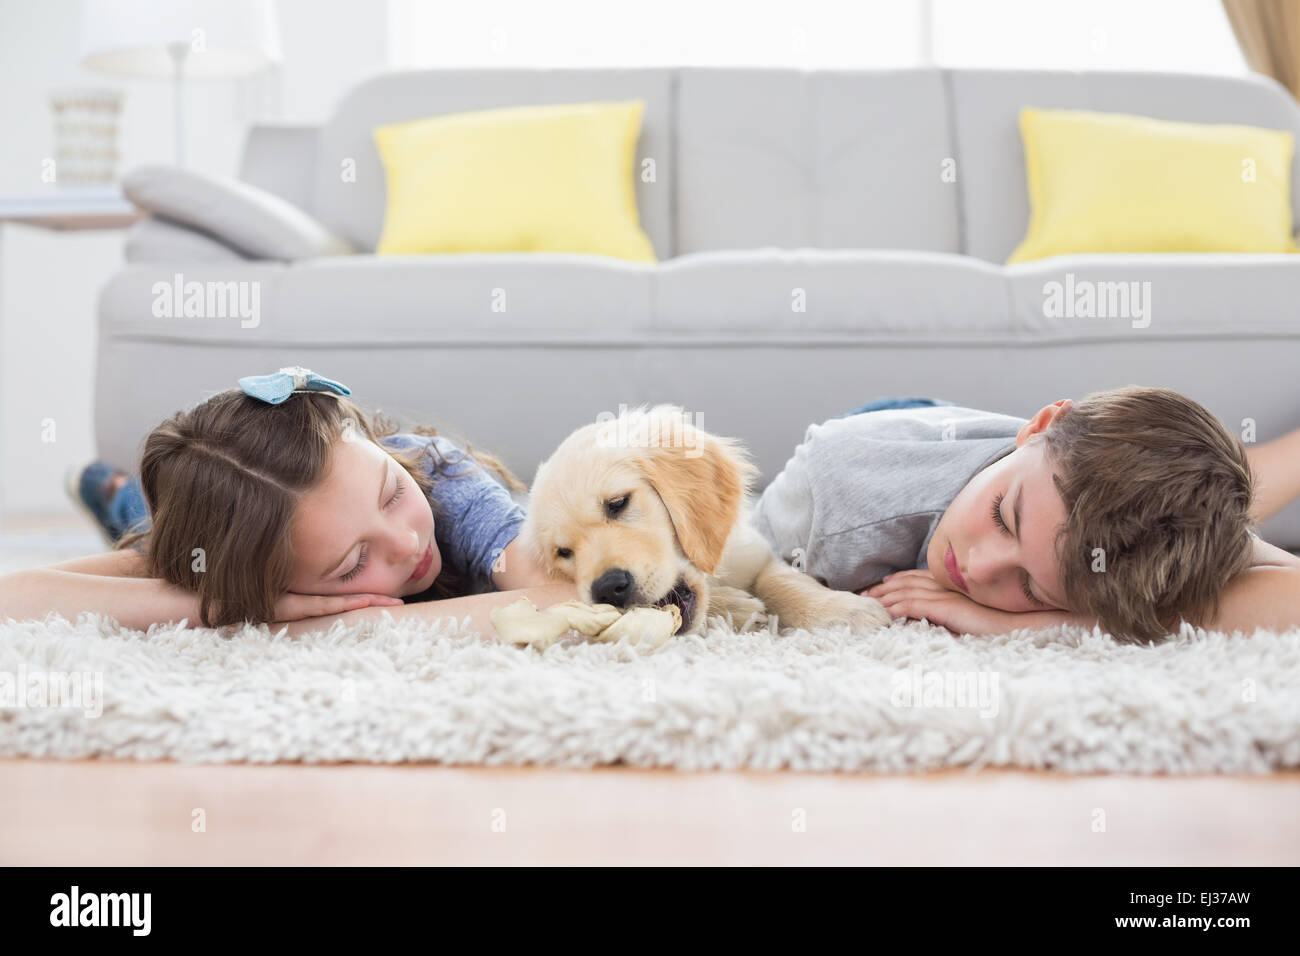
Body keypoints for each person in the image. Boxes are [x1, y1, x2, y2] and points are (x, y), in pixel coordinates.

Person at [0, 368, 576, 636]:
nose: (406, 543)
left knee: (138, 525)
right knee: (150, 544)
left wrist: (349, 622)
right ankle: (120, 498)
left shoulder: (439, 477)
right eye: (352, 563)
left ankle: (115, 492)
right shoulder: (240, 544)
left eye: (391, 494)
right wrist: (232, 607)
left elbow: (561, 597)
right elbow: (15, 597)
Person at [753, 388, 1300, 643]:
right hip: (892, 432)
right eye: (1002, 519)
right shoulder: (837, 503)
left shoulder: (1117, 536)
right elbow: (729, 562)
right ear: (1039, 425)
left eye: (1032, 588)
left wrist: (1014, 623)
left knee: (1230, 506)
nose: (978, 565)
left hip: (1018, 467)